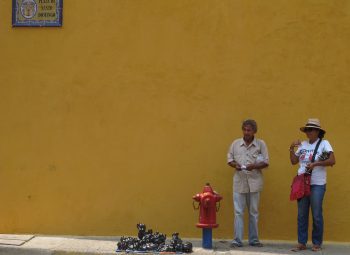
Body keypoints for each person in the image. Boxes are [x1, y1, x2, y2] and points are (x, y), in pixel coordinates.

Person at [289, 119, 336, 252]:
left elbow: (332, 160)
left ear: (317, 131)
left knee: (316, 214)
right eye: (307, 130)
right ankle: (302, 242)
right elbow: (293, 161)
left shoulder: (324, 144)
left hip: (317, 184)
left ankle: (317, 243)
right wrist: (291, 147)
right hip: (302, 183)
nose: (308, 132)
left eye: (311, 129)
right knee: (302, 214)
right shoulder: (303, 144)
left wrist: (315, 164)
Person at [227, 119, 269, 247]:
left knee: (254, 213)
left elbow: (266, 162)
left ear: (254, 131)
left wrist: (254, 166)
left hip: (255, 182)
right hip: (239, 182)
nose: (246, 132)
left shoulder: (261, 144)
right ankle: (237, 240)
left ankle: (254, 240)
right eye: (244, 129)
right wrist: (236, 165)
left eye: (249, 130)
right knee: (238, 212)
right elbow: (229, 160)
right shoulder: (235, 143)